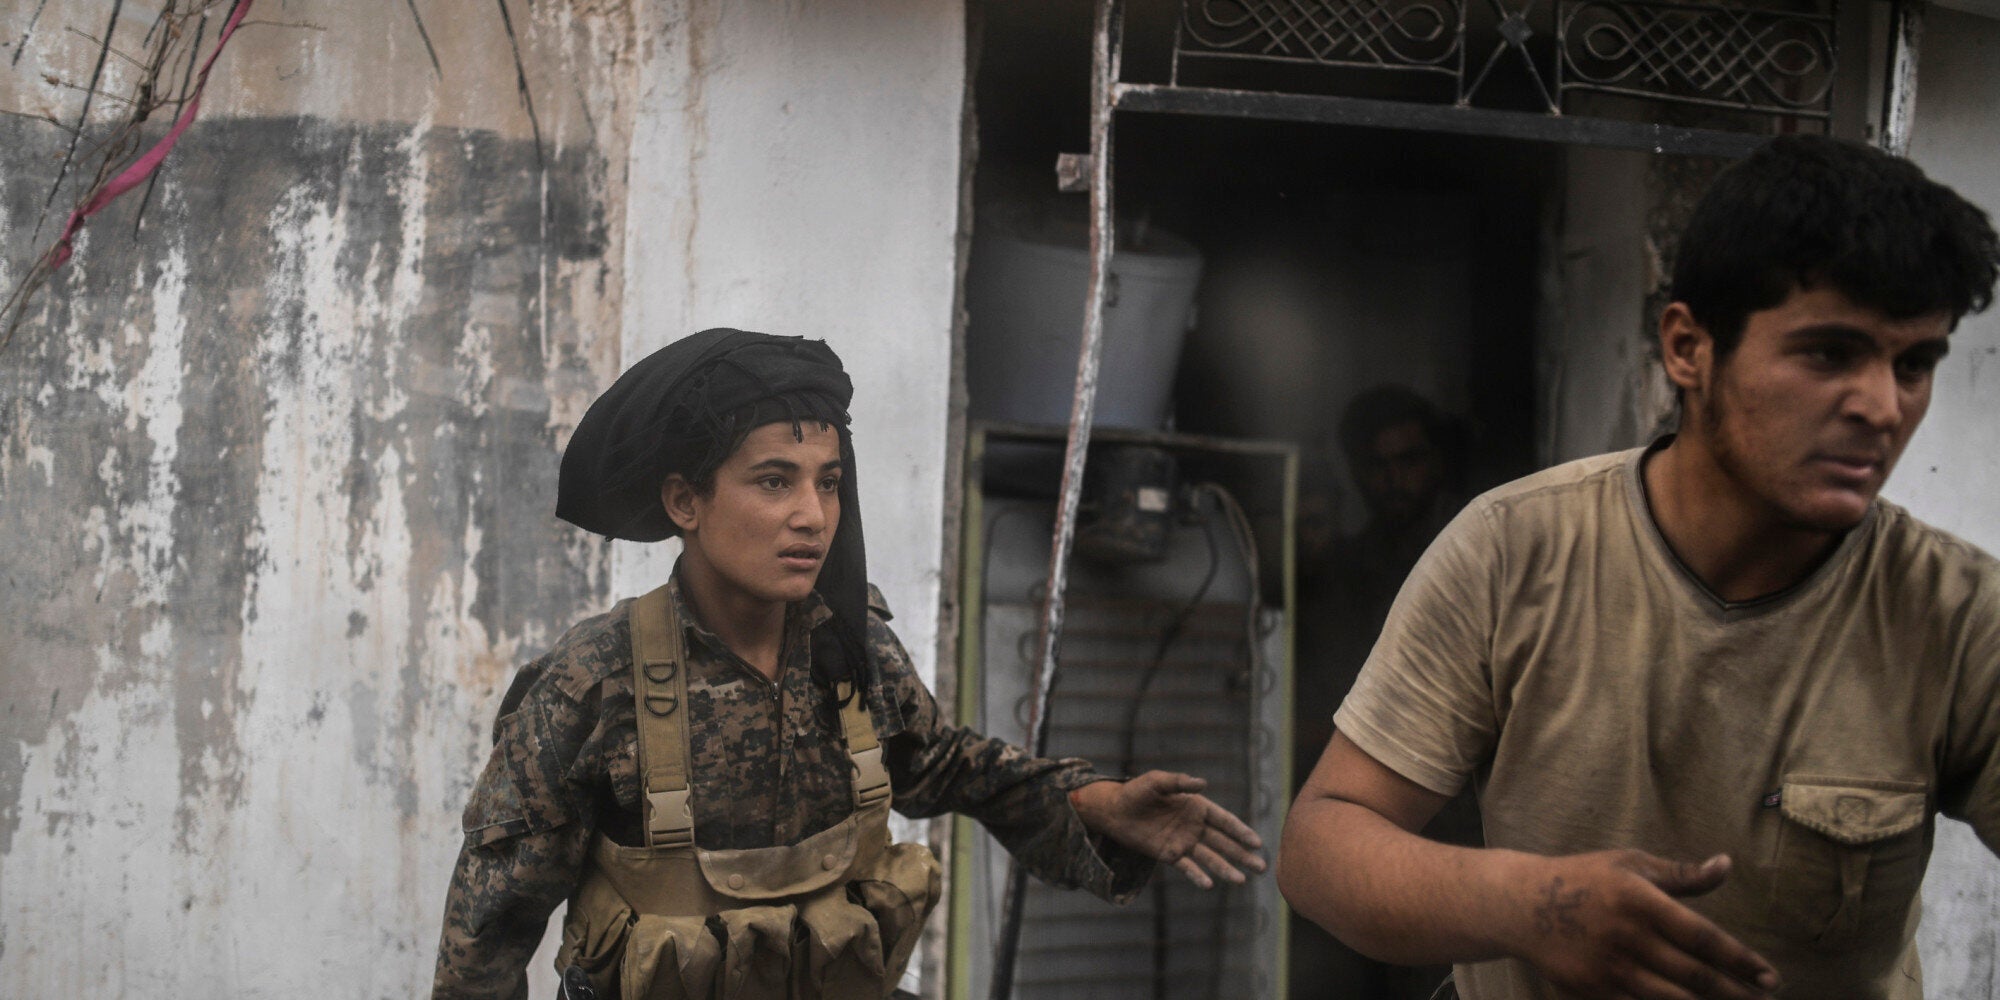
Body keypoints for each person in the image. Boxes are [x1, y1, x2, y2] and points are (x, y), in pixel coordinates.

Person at [1277, 133, 2000, 1000]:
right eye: (1828, 354)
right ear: (1688, 347)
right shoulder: (1513, 552)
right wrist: (1533, 907)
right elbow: (1322, 844)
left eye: (1913, 365)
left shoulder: (1957, 616)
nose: (1882, 406)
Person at [430, 328, 1266, 1000]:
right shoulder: (594, 682)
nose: (812, 515)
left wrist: (1091, 800)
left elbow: (946, 767)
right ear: (685, 500)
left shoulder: (850, 651)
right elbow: (488, 933)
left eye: (828, 482)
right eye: (774, 481)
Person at [1291, 386, 1476, 1000]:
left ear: (1438, 460)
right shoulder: (1346, 568)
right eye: (1378, 465)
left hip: (1461, 813)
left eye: (1410, 460)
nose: (1396, 480)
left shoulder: (1480, 547)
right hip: (1358, 807)